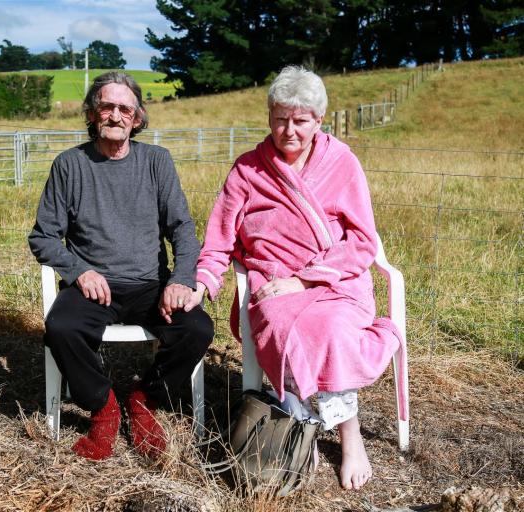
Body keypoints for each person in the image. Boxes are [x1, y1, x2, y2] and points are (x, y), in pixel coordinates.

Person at [184, 66, 404, 490]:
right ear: (269, 117)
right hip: (273, 285)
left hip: (336, 281)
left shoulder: (342, 162)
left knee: (332, 329)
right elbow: (220, 239)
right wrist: (204, 282)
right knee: (292, 328)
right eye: (281, 118)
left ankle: (349, 435)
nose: (289, 130)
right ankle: (298, 423)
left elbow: (362, 240)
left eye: (300, 120)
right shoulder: (248, 170)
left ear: (319, 120)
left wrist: (307, 281)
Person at [29, 71, 214, 461]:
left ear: (138, 117)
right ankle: (103, 408)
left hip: (150, 284)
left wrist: (181, 280)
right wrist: (79, 271)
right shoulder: (69, 165)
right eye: (106, 106)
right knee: (61, 327)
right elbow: (43, 236)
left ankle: (145, 399)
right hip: (93, 286)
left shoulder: (156, 161)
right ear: (92, 113)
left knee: (197, 328)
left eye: (124, 108)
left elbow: (182, 228)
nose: (115, 115)